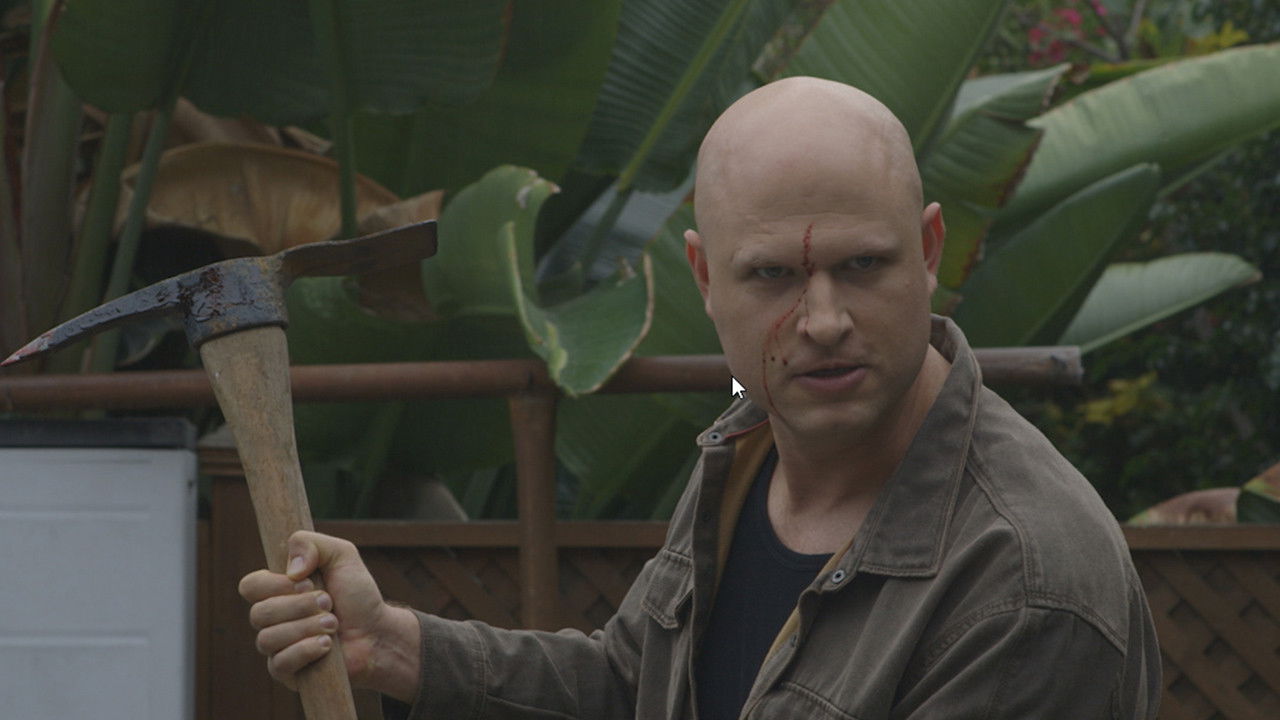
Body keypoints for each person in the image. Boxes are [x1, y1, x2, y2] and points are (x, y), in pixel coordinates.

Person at [240, 76, 1162, 719]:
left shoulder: (1027, 583)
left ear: (927, 253)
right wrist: (395, 648)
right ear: (705, 279)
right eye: (773, 276)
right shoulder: (751, 448)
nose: (824, 321)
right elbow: (634, 686)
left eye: (862, 265)